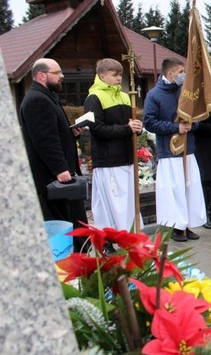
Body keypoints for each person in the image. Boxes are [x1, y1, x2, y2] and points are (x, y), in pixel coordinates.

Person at [20, 58, 89, 251]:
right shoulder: (37, 100)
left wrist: (71, 133)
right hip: (52, 178)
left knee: (74, 223)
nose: (62, 76)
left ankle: (82, 262)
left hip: (58, 175)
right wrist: (60, 169)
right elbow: (44, 141)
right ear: (42, 75)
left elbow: (52, 133)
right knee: (64, 225)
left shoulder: (45, 96)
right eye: (57, 73)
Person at [143, 57, 206, 242]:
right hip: (169, 152)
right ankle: (176, 227)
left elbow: (195, 117)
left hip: (188, 148)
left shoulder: (184, 92)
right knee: (174, 190)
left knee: (190, 187)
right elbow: (150, 122)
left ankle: (187, 224)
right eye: (180, 72)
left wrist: (191, 125)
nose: (183, 75)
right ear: (169, 74)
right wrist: (175, 128)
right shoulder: (154, 95)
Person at [84, 58, 144, 246]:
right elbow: (97, 129)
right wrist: (127, 129)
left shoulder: (125, 97)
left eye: (120, 74)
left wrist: (137, 127)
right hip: (109, 159)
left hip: (126, 158)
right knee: (111, 204)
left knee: (127, 203)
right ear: (102, 76)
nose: (119, 78)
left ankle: (129, 236)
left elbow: (129, 124)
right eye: (114, 74)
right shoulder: (94, 98)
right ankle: (108, 240)